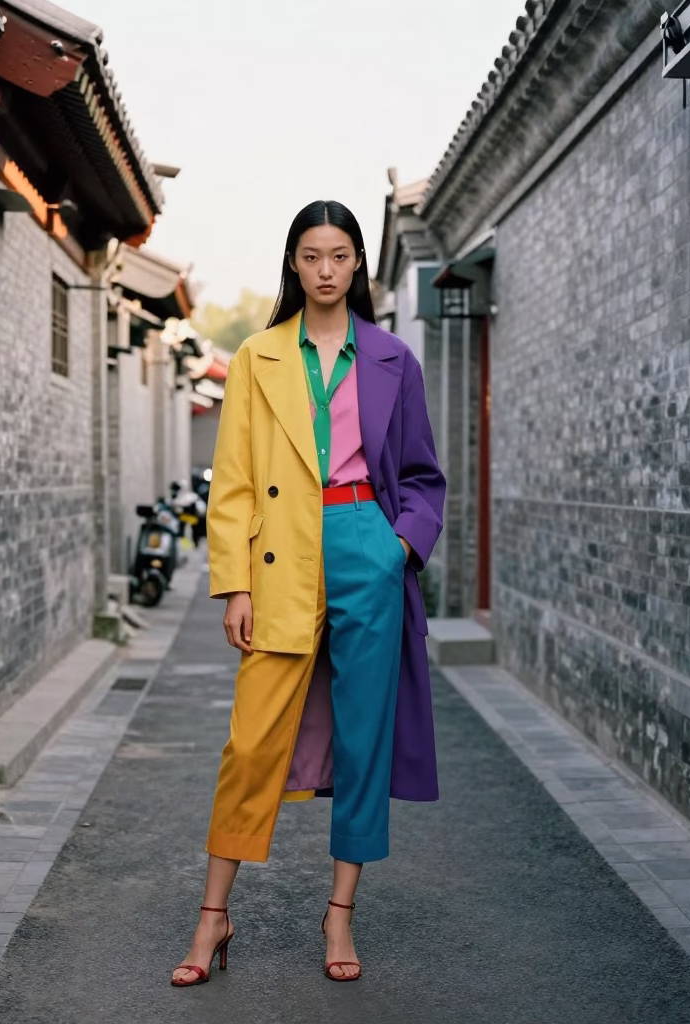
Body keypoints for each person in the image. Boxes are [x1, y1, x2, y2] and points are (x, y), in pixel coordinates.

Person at [171, 200, 446, 986]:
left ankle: (339, 915)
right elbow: (232, 482)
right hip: (279, 556)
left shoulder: (393, 358)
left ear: (359, 264)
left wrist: (397, 549)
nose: (326, 269)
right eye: (312, 255)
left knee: (363, 736)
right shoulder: (257, 356)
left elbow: (423, 477)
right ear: (293, 263)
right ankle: (213, 916)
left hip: (366, 544)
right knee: (252, 740)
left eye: (340, 255)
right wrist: (234, 585)